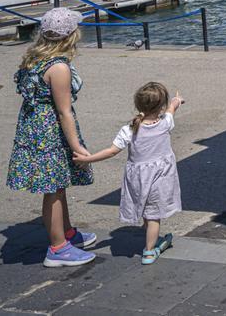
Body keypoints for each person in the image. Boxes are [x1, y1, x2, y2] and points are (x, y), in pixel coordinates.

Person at [6, 7, 99, 268]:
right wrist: (77, 146)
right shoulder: (58, 68)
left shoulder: (34, 58)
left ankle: (66, 233)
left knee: (58, 185)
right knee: (54, 189)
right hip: (50, 135)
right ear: (70, 35)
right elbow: (64, 111)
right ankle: (58, 248)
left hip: (34, 131)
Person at [72, 82, 183, 265]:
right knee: (154, 216)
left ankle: (150, 234)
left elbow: (111, 151)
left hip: (138, 178)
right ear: (161, 106)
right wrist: (176, 101)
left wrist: (87, 159)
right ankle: (149, 252)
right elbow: (171, 110)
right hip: (161, 177)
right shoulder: (165, 123)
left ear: (138, 105)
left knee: (147, 211)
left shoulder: (130, 129)